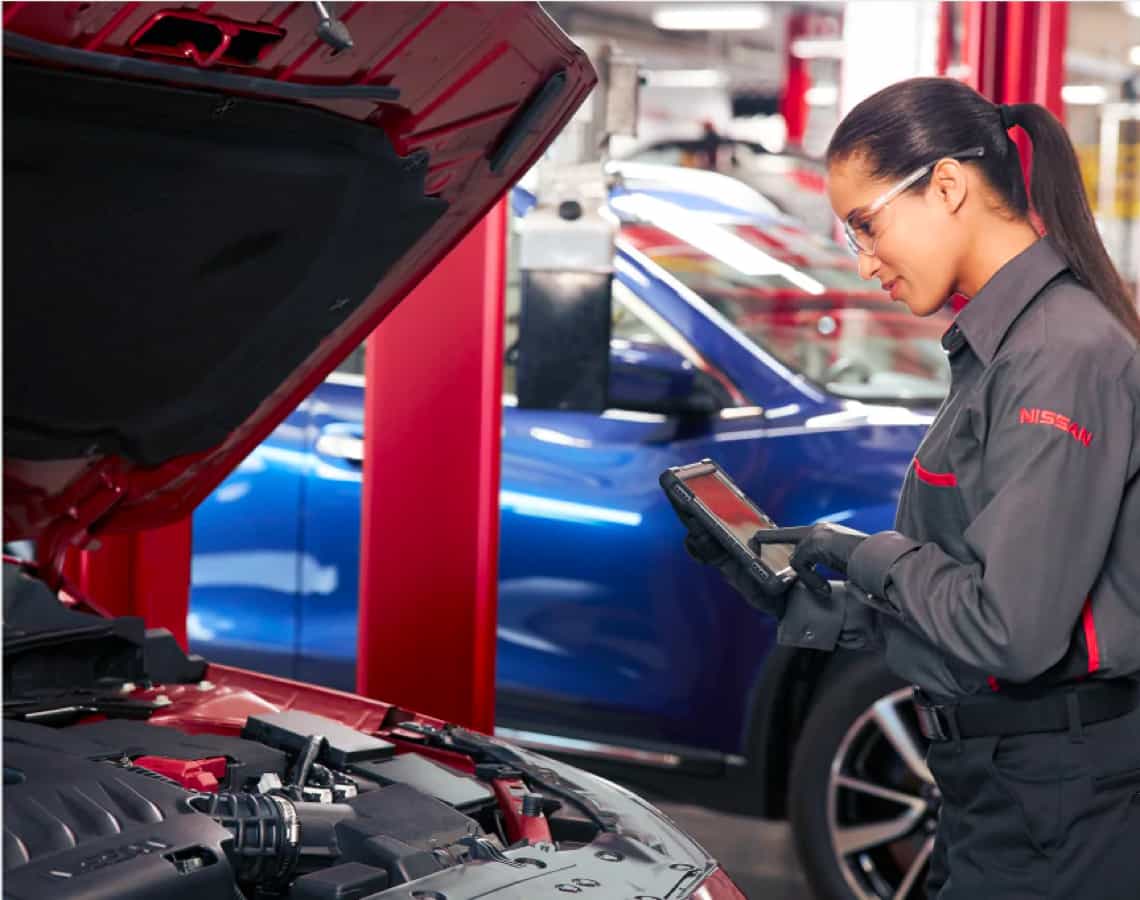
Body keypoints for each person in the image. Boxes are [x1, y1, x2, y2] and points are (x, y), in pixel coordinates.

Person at [675, 77, 1140, 898]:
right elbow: (977, 597)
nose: (862, 259)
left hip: (1058, 804)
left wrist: (869, 555)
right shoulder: (1004, 348)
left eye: (866, 224)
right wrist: (821, 605)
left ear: (949, 186)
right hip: (1005, 785)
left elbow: (1013, 633)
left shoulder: (1059, 355)